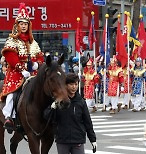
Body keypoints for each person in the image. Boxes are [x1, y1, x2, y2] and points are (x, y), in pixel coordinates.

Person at [0, 3, 44, 132]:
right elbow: (11, 57)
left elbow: (40, 56)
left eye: (26, 24)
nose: (23, 26)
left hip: (33, 72)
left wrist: (37, 64)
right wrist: (22, 69)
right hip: (15, 73)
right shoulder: (11, 41)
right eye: (21, 24)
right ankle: (9, 117)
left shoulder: (33, 42)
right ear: (17, 25)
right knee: (12, 94)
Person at [53, 73, 97, 154]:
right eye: (71, 84)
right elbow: (48, 118)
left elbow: (87, 122)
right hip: (63, 140)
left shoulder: (81, 102)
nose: (74, 87)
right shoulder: (59, 101)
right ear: (66, 85)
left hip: (78, 140)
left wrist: (93, 140)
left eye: (76, 84)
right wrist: (52, 108)